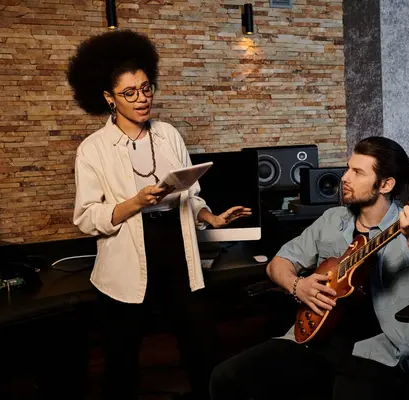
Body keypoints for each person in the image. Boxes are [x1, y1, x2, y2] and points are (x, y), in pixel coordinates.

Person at [67, 30, 251, 400]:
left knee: (201, 347)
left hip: (177, 251)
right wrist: (135, 202)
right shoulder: (92, 149)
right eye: (129, 92)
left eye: (146, 88)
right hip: (124, 261)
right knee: (121, 359)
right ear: (108, 98)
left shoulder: (168, 135)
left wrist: (210, 218)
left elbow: (190, 195)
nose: (142, 98)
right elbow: (86, 217)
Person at [209, 136, 409, 400]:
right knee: (225, 377)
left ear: (385, 184)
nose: (344, 177)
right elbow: (277, 264)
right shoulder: (331, 220)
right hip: (314, 339)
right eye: (348, 168)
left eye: (357, 172)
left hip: (377, 352)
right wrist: (298, 285)